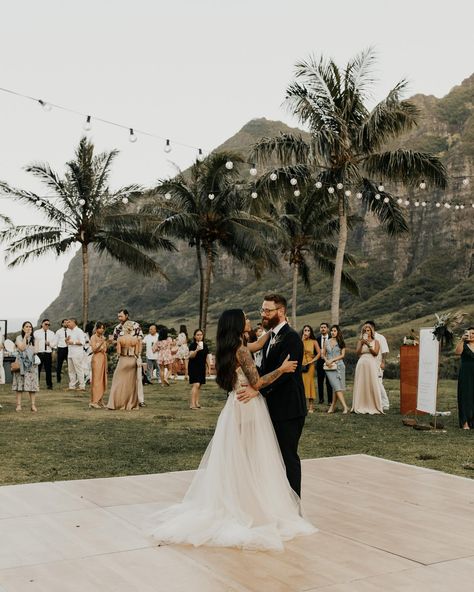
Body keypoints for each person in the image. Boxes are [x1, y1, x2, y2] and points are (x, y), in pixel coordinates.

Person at [148, 309, 316, 550]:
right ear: (238, 324)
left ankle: (238, 500)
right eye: (246, 317)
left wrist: (274, 329)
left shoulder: (233, 347)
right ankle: (248, 505)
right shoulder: (241, 350)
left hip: (233, 406)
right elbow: (256, 382)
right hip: (248, 406)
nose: (250, 319)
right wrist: (283, 368)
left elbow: (257, 344)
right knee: (250, 457)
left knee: (239, 458)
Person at [237, 293, 307, 497]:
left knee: (288, 456)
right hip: (272, 407)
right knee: (272, 456)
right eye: (262, 310)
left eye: (267, 311)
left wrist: (257, 389)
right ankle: (277, 500)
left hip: (289, 409)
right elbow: (265, 367)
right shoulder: (269, 338)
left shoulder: (292, 338)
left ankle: (294, 503)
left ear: (281, 311)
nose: (264, 315)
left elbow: (286, 374)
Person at [107, 320, 140, 410]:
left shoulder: (120, 339)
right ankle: (130, 403)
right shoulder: (135, 339)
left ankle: (116, 403)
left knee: (117, 381)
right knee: (131, 383)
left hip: (123, 360)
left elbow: (118, 353)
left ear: (124, 329)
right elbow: (137, 353)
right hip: (132, 361)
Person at [351, 323, 383, 414]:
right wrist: (362, 343)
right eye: (365, 330)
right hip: (361, 363)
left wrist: (368, 344)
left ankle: (373, 405)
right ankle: (360, 404)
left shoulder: (376, 342)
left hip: (371, 363)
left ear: (371, 331)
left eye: (368, 330)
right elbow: (357, 353)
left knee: (372, 382)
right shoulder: (360, 341)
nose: (366, 332)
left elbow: (375, 353)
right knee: (361, 382)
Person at [12, 321, 39, 412]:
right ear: (23, 328)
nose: (28, 328)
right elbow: (22, 348)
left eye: (30, 327)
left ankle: (33, 405)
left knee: (32, 385)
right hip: (21, 364)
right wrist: (25, 338)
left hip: (31, 364)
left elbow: (36, 351)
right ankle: (19, 405)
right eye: (26, 326)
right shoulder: (18, 338)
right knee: (20, 385)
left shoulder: (35, 339)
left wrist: (29, 348)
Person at [322, 325, 349, 414]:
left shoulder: (341, 342)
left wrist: (332, 360)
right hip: (329, 368)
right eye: (332, 331)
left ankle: (332, 406)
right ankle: (345, 407)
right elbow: (323, 354)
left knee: (336, 388)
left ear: (338, 332)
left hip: (340, 366)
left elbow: (342, 355)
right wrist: (327, 361)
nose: (333, 332)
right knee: (336, 386)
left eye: (334, 331)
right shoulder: (326, 342)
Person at [366, 320, 390, 411]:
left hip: (377, 363)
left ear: (372, 328)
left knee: (379, 383)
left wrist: (383, 362)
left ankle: (385, 403)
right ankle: (373, 402)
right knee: (370, 383)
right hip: (367, 364)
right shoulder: (365, 338)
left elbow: (385, 351)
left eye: (368, 328)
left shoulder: (380, 337)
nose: (366, 330)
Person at [455, 327, 474, 430]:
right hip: (466, 374)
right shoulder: (464, 344)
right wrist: (462, 340)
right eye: (469, 333)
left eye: (473, 333)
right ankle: (465, 423)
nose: (471, 335)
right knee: (465, 397)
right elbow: (457, 352)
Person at [188, 329, 209, 409]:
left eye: (201, 335)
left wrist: (209, 367)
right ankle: (192, 404)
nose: (199, 336)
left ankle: (197, 403)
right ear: (194, 336)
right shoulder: (192, 345)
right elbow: (191, 356)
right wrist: (197, 349)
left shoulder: (205, 345)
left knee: (199, 385)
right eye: (197, 335)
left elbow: (207, 357)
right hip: (193, 366)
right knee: (196, 384)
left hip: (201, 367)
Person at [300, 325, 320, 413]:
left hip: (310, 365)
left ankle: (311, 406)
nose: (306, 332)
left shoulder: (314, 341)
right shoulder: (301, 341)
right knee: (302, 384)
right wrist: (302, 340)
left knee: (310, 383)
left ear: (310, 332)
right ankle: (303, 406)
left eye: (308, 330)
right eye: (305, 330)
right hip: (301, 365)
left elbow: (319, 353)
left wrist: (312, 361)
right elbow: (297, 350)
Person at [33, 319, 56, 390]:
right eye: (46, 324)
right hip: (39, 353)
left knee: (48, 370)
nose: (47, 326)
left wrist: (49, 344)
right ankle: (36, 384)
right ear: (42, 324)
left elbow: (54, 344)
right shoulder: (36, 332)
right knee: (37, 370)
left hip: (48, 353)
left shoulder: (52, 333)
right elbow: (34, 343)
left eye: (48, 324)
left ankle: (49, 385)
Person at [89, 322, 108, 408]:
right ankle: (94, 401)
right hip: (96, 359)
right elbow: (94, 349)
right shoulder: (93, 337)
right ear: (96, 329)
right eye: (101, 328)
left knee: (102, 379)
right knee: (96, 379)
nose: (102, 330)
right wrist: (101, 343)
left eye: (103, 328)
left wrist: (106, 343)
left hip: (103, 358)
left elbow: (105, 349)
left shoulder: (102, 337)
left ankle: (100, 399)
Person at [66, 318, 86, 391]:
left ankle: (82, 386)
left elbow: (82, 342)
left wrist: (73, 342)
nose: (67, 323)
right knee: (71, 370)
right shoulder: (69, 332)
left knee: (79, 370)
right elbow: (68, 342)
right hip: (70, 353)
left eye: (69, 322)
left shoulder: (79, 331)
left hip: (77, 353)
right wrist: (66, 341)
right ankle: (72, 386)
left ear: (74, 322)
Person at [316, 322, 333, 405]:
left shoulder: (331, 338)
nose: (323, 329)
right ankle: (321, 399)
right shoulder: (317, 339)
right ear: (320, 329)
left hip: (329, 362)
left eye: (324, 327)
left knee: (329, 381)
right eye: (321, 327)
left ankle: (330, 400)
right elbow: (314, 351)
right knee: (320, 381)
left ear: (327, 329)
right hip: (319, 362)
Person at [55, 319, 70, 384]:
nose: (66, 324)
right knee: (59, 365)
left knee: (70, 365)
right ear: (62, 324)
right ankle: (58, 379)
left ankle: (71, 380)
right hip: (61, 349)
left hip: (69, 349)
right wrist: (55, 349)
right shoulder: (58, 332)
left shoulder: (70, 331)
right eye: (65, 323)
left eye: (67, 323)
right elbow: (56, 341)